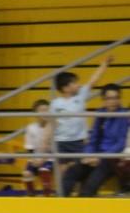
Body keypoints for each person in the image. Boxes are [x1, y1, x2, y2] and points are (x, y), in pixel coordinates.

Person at [44, 55, 112, 196]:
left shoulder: (80, 95)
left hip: (79, 141)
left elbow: (94, 80)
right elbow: (52, 124)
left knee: (82, 168)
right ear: (66, 88)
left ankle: (83, 196)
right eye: (75, 83)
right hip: (61, 142)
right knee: (63, 173)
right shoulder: (56, 103)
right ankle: (63, 197)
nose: (78, 85)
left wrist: (104, 64)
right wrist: (47, 142)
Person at [61, 83, 128, 197]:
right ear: (104, 100)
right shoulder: (100, 114)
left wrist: (100, 157)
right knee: (71, 173)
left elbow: (120, 143)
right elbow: (93, 138)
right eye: (109, 98)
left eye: (116, 98)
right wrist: (88, 155)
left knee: (89, 187)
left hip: (111, 159)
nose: (113, 101)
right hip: (95, 157)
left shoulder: (125, 115)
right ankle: (61, 208)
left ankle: (83, 212)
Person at [22, 99, 53, 196]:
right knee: (27, 174)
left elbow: (52, 148)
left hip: (50, 158)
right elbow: (29, 147)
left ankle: (46, 196)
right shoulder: (31, 128)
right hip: (36, 158)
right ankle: (31, 196)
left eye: (47, 110)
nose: (45, 113)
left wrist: (43, 159)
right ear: (35, 113)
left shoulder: (53, 127)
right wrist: (33, 160)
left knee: (44, 171)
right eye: (42, 110)